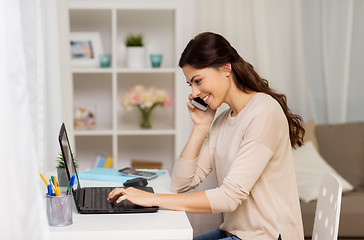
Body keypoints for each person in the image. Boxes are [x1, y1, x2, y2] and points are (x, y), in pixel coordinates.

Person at [108, 32, 305, 240]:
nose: (194, 93)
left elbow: (229, 197)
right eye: (191, 85)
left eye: (198, 81)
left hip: (268, 236)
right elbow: (181, 184)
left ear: (226, 68)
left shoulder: (263, 112)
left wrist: (153, 199)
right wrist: (201, 127)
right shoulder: (222, 121)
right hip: (236, 232)